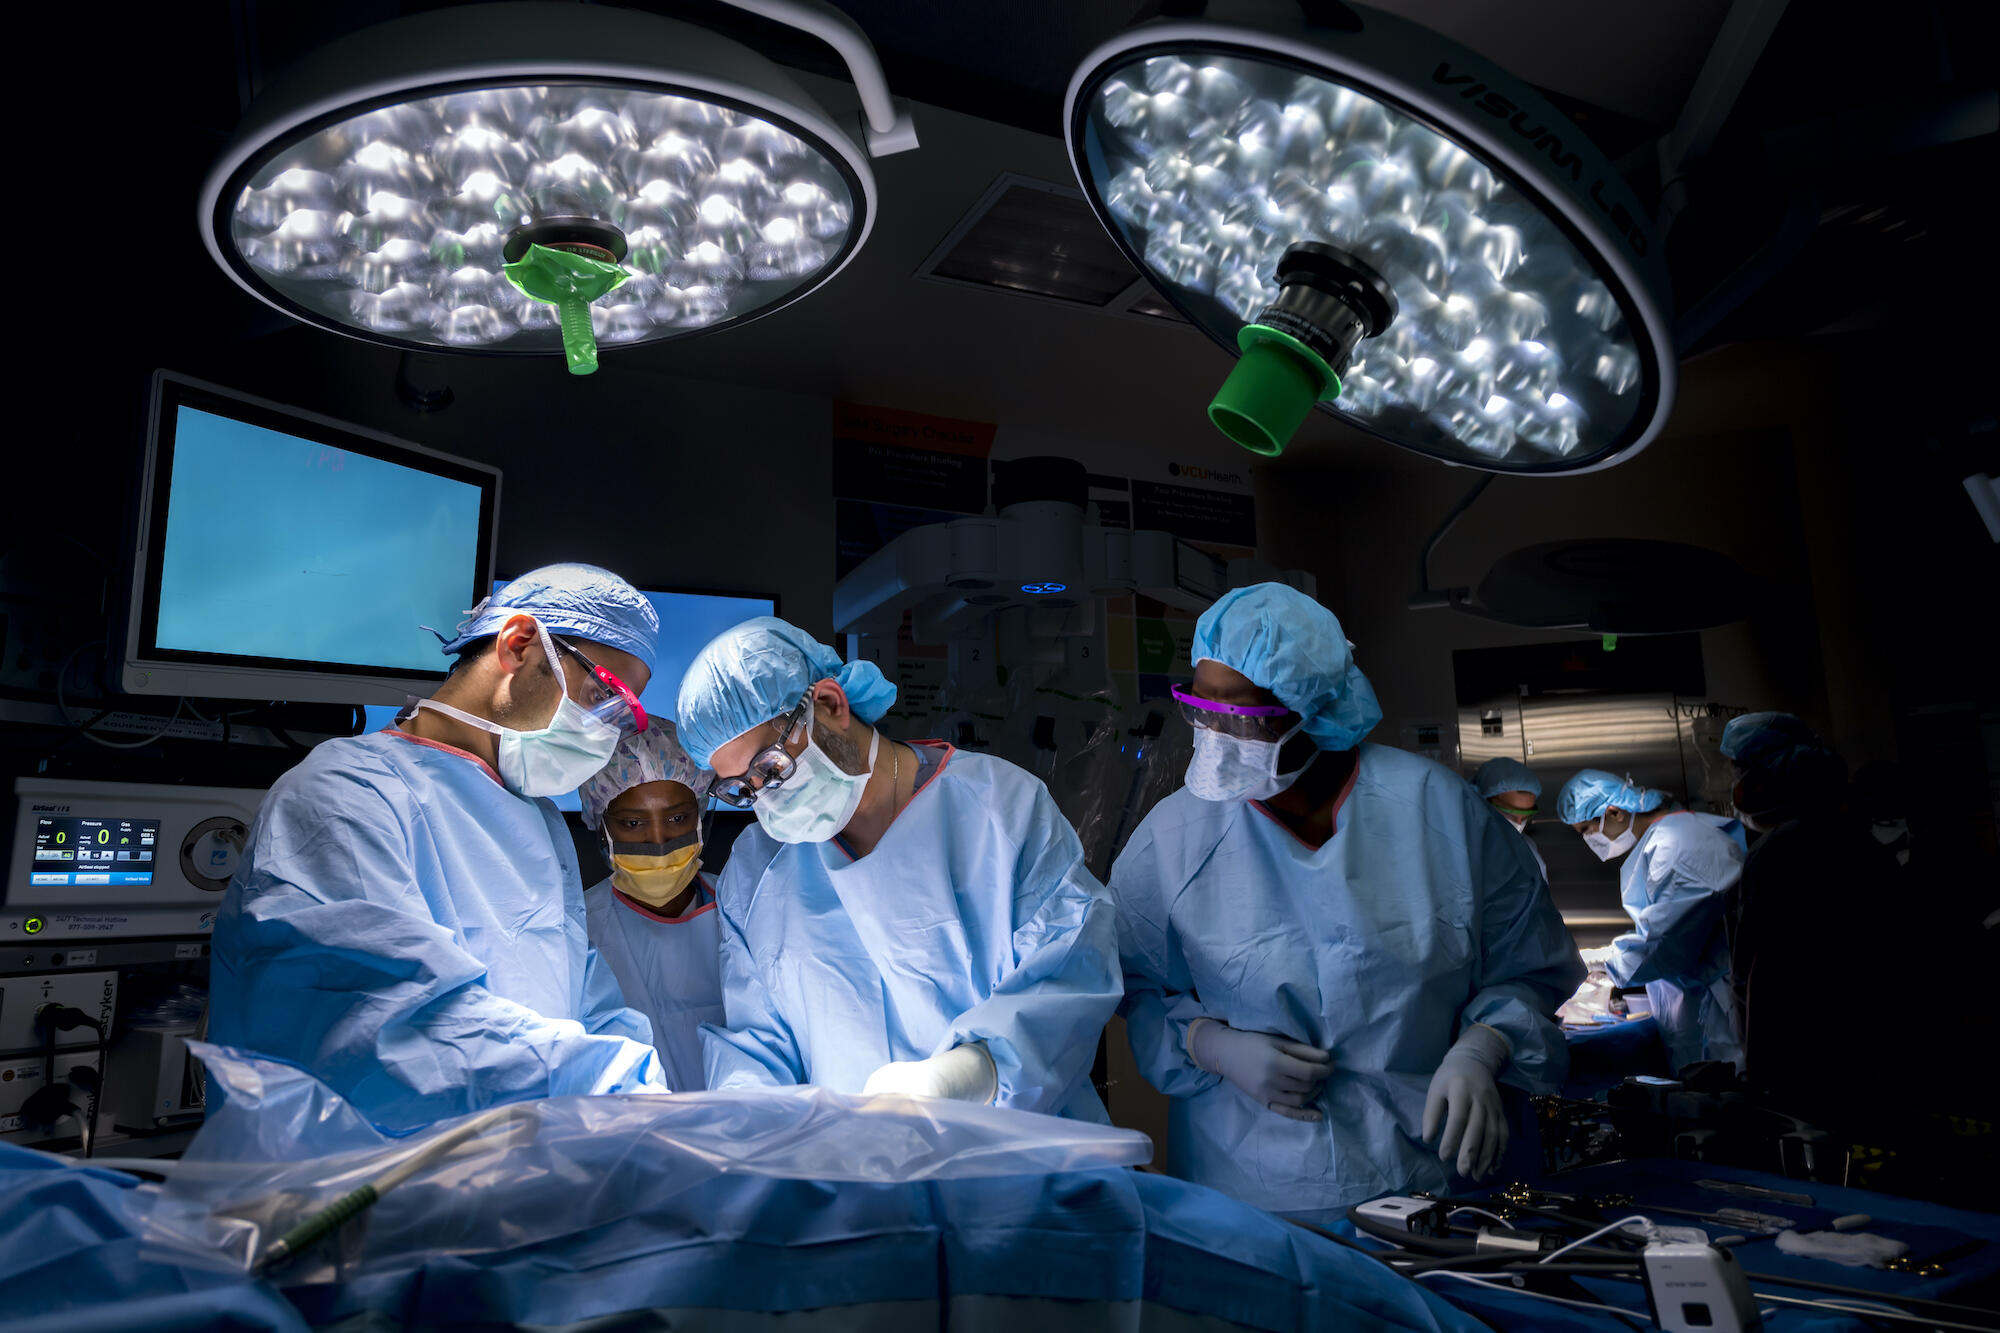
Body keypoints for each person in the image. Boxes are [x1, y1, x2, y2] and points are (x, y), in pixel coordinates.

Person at [1109, 584, 1582, 1221]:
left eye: (1246, 718)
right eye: (1200, 708)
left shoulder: (1438, 811)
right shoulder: (1169, 840)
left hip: (1432, 1174)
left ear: (1316, 710)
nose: (1218, 737)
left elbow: (1529, 967)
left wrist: (1485, 1046)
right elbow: (1136, 990)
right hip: (1251, 1189)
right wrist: (1207, 1043)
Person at [211, 564, 669, 1131]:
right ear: (519, 645)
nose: (605, 730)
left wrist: (641, 1104)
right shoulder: (344, 794)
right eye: (602, 694)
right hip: (359, 1191)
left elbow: (584, 1002)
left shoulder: (540, 823)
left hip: (503, 1170)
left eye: (622, 715)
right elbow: (389, 1039)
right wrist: (605, 1081)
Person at [676, 616, 1122, 1120]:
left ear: (829, 705)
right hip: (855, 1180)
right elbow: (756, 1045)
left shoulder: (1001, 811)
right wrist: (756, 1135)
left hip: (1013, 1164)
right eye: (743, 790)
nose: (766, 802)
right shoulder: (759, 871)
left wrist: (965, 1076)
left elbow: (1069, 976)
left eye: (771, 767)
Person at [1557, 769, 1745, 1075]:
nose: (1589, 840)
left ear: (1614, 813)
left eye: (1586, 830)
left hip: (1721, 1011)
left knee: (1729, 1100)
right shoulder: (1670, 838)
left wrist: (1600, 961)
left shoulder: (1676, 847)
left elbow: (1667, 945)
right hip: (1702, 999)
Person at [578, 721, 722, 1092]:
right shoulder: (578, 932)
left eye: (677, 818)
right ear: (602, 828)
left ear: (700, 817)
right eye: (632, 823)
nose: (658, 842)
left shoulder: (745, 909)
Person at [1473, 756, 1548, 880]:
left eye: (1525, 817)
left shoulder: (1527, 849)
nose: (1518, 824)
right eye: (1509, 814)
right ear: (1483, 802)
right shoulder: (1463, 849)